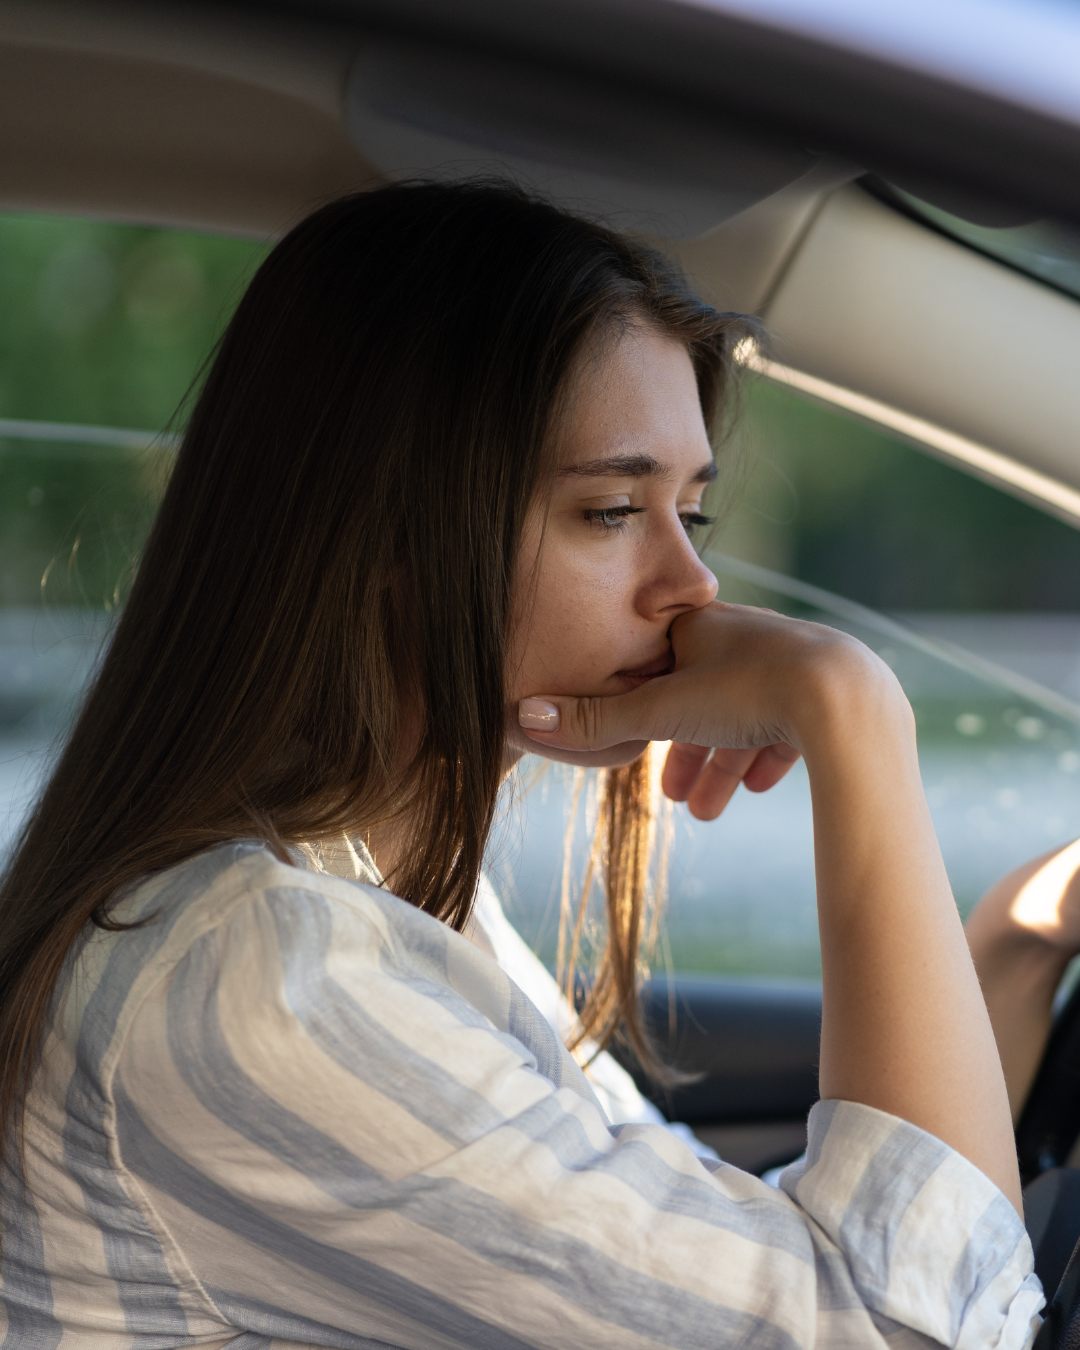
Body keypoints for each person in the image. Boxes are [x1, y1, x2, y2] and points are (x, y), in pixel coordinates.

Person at [0, 181, 1042, 1349]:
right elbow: (887, 1330)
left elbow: (684, 1246)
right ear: (387, 532)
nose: (689, 588)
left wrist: (1015, 944)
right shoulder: (260, 981)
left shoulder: (367, 894)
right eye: (609, 510)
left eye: (689, 516)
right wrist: (853, 714)